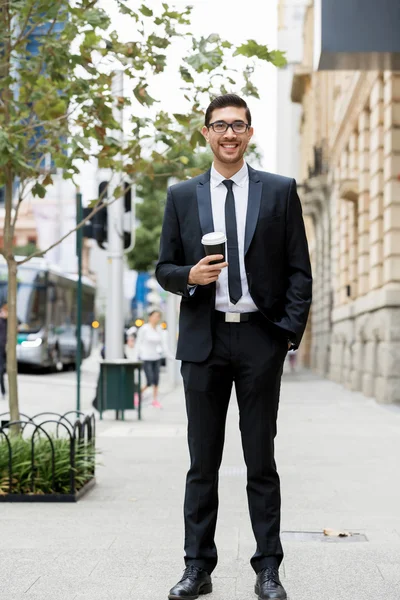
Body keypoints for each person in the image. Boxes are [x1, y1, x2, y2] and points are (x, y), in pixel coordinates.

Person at [156, 94, 312, 600]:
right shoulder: (182, 195)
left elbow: (298, 271)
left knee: (259, 460)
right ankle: (197, 567)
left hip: (259, 339)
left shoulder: (279, 191)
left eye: (238, 126)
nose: (229, 134)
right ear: (205, 133)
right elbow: (164, 269)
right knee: (202, 461)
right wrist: (190, 276)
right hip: (203, 341)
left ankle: (268, 569)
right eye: (220, 125)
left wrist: (286, 333)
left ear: (249, 133)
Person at [133, 310, 172, 408]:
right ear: (150, 317)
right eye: (154, 316)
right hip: (146, 357)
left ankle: (155, 400)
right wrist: (135, 356)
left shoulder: (160, 330)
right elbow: (138, 343)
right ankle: (137, 394)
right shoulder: (144, 329)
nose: (156, 318)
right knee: (149, 380)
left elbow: (164, 345)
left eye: (158, 316)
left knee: (156, 380)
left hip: (156, 357)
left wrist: (169, 355)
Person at [0, 303, 8, 399]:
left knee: (2, 370)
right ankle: (3, 391)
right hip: (1, 348)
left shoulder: (9, 322)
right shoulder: (1, 322)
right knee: (1, 370)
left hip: (4, 348)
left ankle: (3, 391)